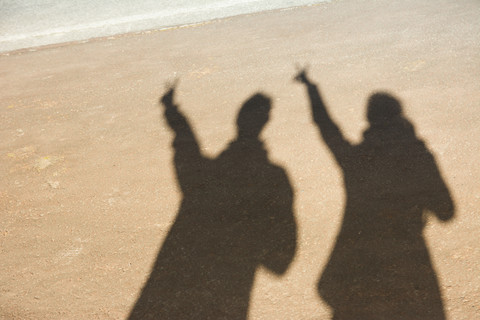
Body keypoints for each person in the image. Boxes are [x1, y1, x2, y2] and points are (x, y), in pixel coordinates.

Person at [295, 69, 455, 319]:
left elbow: (327, 127)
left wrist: (310, 87)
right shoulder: (419, 158)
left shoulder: (356, 160)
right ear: (400, 118)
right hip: (409, 266)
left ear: (369, 120)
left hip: (361, 266)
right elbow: (446, 212)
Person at [129, 83, 297, 319]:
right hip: (232, 283)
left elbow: (184, 142)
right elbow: (282, 252)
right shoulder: (275, 175)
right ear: (266, 121)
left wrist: (170, 107)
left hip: (185, 274)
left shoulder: (207, 173)